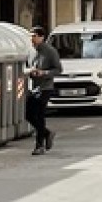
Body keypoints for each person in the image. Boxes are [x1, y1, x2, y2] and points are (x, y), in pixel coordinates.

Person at [25, 26, 62, 155]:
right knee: (28, 114)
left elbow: (58, 69)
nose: (32, 39)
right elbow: (28, 66)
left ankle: (39, 145)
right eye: (31, 37)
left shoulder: (50, 51)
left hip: (45, 87)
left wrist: (44, 73)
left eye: (34, 36)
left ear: (41, 37)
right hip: (33, 87)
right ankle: (47, 133)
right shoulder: (31, 52)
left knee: (40, 114)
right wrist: (30, 72)